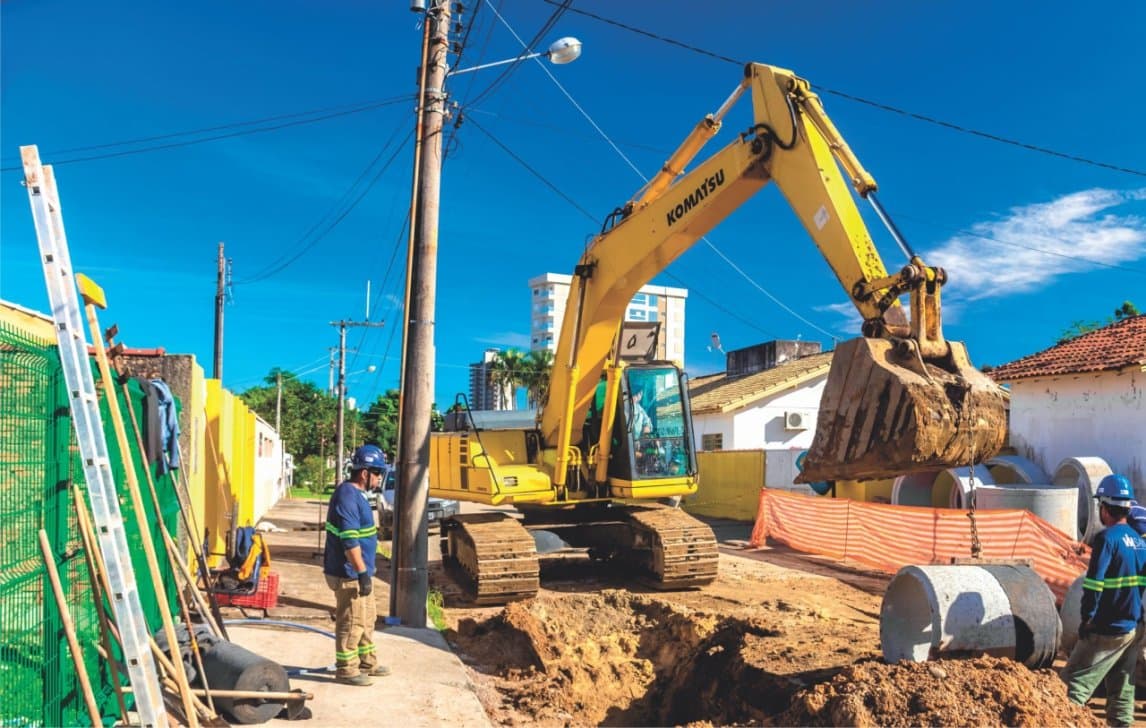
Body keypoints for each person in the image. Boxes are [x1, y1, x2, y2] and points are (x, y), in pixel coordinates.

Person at [1061, 473, 1146, 726]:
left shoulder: (1107, 540)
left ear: (1105, 507)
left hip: (1108, 626)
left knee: (1072, 685)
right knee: (1122, 690)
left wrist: (1087, 619)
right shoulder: (1140, 544)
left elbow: (1094, 584)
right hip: (1133, 627)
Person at [324, 444, 390, 686]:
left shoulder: (358, 495)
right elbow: (349, 540)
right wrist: (362, 572)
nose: (380, 477)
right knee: (352, 621)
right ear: (365, 473)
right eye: (378, 473)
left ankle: (367, 662)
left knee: (367, 618)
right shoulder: (347, 496)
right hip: (348, 573)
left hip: (360, 571)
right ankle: (347, 669)